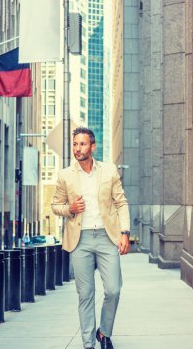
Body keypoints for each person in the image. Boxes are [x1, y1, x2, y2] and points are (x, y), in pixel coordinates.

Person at [52, 127, 131, 349]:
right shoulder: (65, 175)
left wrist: (124, 232)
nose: (78, 148)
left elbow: (121, 202)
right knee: (85, 294)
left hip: (107, 237)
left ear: (92, 146)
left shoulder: (109, 171)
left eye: (82, 144)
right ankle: (89, 344)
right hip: (80, 240)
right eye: (75, 144)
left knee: (113, 289)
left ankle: (104, 332)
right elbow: (55, 205)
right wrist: (71, 208)